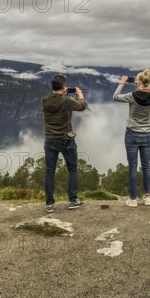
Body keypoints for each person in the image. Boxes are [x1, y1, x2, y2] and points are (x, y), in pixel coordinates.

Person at [41, 73, 88, 212]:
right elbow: (82, 106)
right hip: (66, 139)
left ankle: (49, 204)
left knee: (50, 171)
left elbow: (56, 100)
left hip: (49, 139)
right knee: (72, 169)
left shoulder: (44, 100)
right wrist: (80, 94)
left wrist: (62, 93)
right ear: (63, 86)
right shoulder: (66, 100)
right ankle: (73, 200)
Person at [113, 69, 150, 207]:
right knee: (146, 167)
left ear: (138, 82)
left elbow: (115, 96)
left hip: (132, 134)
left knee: (132, 167)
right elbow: (147, 89)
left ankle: (133, 199)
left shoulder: (132, 96)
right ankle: (147, 197)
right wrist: (140, 81)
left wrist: (122, 82)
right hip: (147, 135)